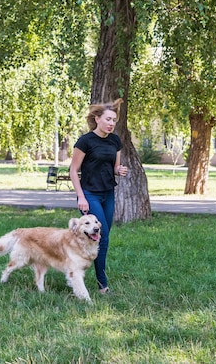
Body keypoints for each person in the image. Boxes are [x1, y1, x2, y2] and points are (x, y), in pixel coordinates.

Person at [70, 98, 128, 295]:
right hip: (89, 194)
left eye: (114, 120)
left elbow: (114, 168)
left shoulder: (115, 141)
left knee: (99, 237)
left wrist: (119, 170)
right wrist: (81, 197)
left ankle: (79, 269)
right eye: (108, 119)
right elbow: (73, 170)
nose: (111, 123)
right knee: (100, 238)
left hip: (108, 194)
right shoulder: (85, 141)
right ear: (97, 119)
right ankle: (102, 284)